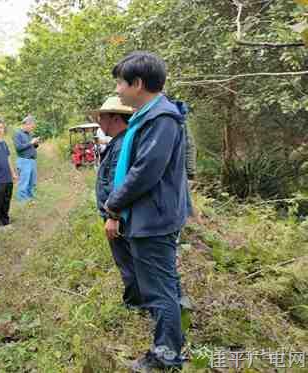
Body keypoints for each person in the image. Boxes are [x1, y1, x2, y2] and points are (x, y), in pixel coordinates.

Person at [104, 52, 191, 372]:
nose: (117, 89)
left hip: (153, 218)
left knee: (159, 290)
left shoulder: (161, 119)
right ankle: (172, 340)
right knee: (162, 285)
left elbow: (144, 172)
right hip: (150, 214)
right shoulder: (149, 115)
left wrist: (113, 204)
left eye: (120, 83)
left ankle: (166, 357)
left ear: (138, 84)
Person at [92, 96, 138, 307]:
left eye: (102, 117)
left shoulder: (122, 145)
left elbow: (118, 184)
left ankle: (135, 303)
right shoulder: (119, 142)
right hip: (118, 213)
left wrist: (113, 215)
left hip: (119, 215)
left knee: (128, 260)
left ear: (114, 117)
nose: (99, 122)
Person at [13, 115, 39, 201]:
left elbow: (33, 146)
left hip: (32, 160)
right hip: (24, 160)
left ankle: (30, 196)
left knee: (32, 181)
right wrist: (31, 143)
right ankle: (22, 199)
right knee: (24, 181)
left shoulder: (30, 134)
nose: (32, 129)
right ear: (26, 124)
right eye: (31, 127)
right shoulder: (17, 134)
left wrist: (35, 143)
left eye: (33, 127)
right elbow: (18, 148)